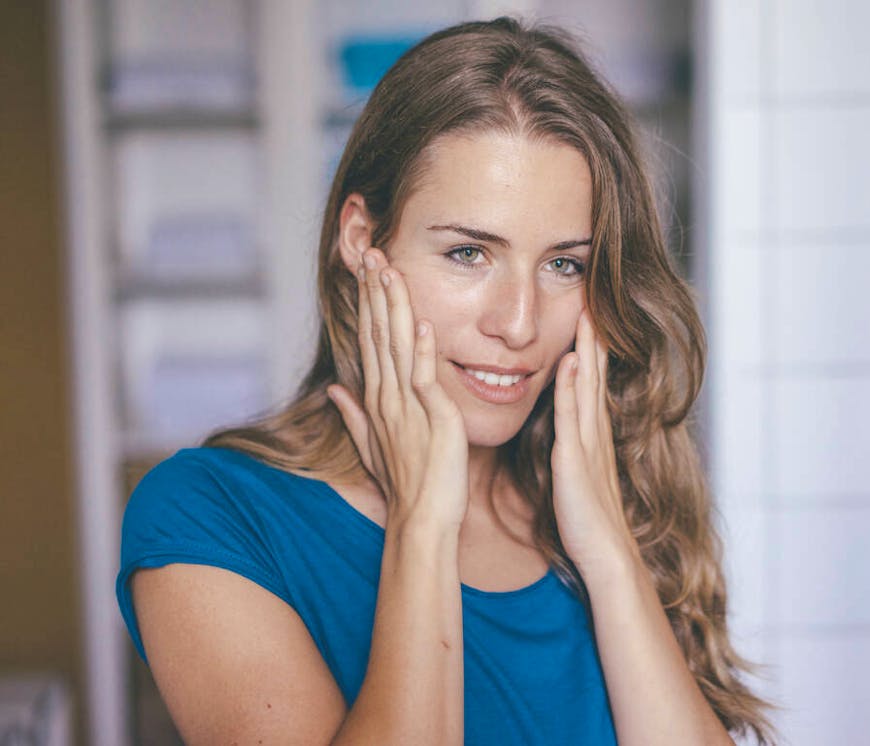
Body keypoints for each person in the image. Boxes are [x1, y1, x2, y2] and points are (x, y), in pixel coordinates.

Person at [116, 16, 777, 745]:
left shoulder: (619, 498)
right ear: (363, 242)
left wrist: (609, 552)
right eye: (469, 253)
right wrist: (424, 523)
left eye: (566, 264)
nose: (520, 323)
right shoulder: (213, 515)